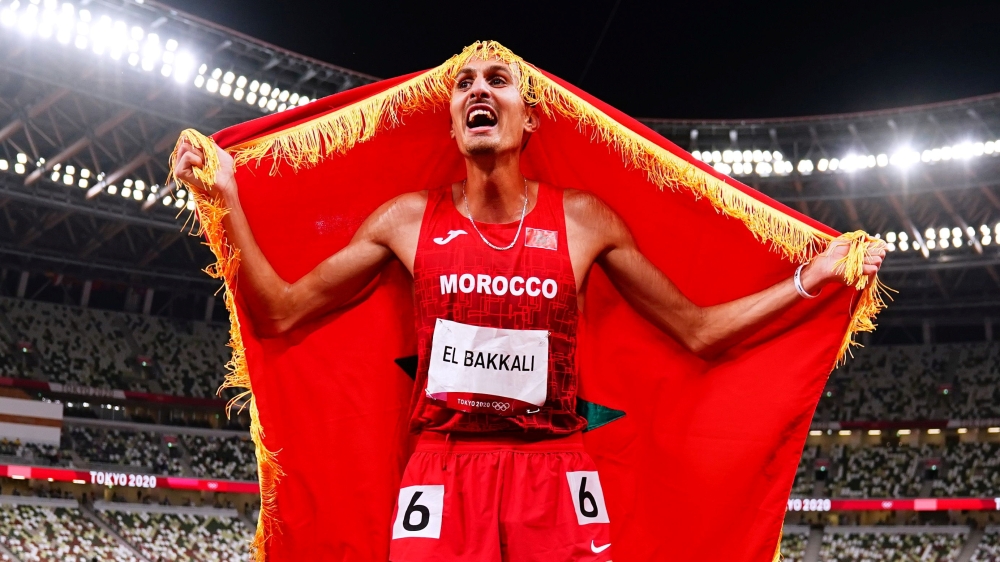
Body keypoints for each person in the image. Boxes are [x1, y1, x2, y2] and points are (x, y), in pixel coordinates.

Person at [174, 55, 884, 562]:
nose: (478, 90)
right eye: (463, 83)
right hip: (443, 469)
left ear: (527, 113)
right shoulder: (403, 221)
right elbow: (281, 315)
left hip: (555, 470)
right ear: (452, 121)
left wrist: (810, 279)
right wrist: (228, 198)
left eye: (497, 79)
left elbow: (698, 331)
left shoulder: (583, 222)